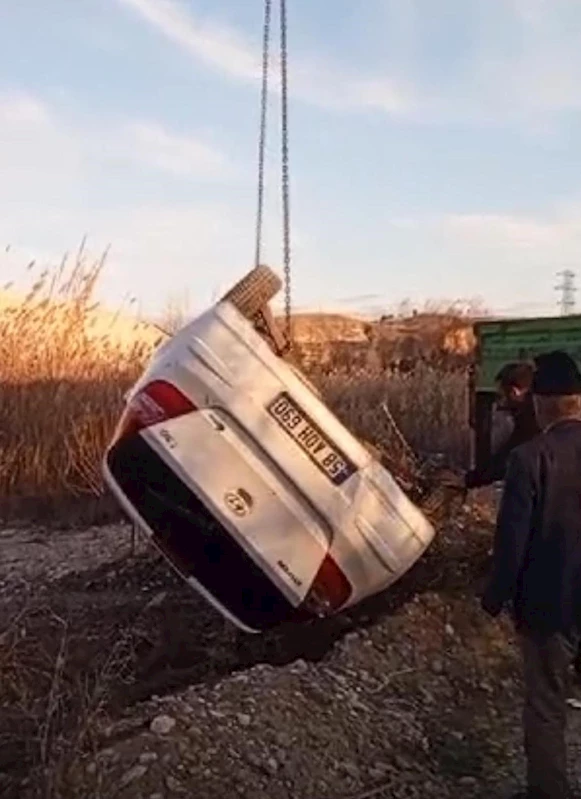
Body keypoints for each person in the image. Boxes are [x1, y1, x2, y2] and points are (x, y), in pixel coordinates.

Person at [480, 349, 581, 799]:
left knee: (546, 705)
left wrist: (494, 596)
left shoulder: (529, 458)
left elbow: (512, 541)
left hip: (549, 605)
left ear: (540, 403)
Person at [465, 361, 539, 490]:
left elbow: (507, 457)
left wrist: (472, 478)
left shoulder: (530, 421)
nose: (499, 403)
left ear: (515, 392)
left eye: (501, 396)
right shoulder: (530, 414)